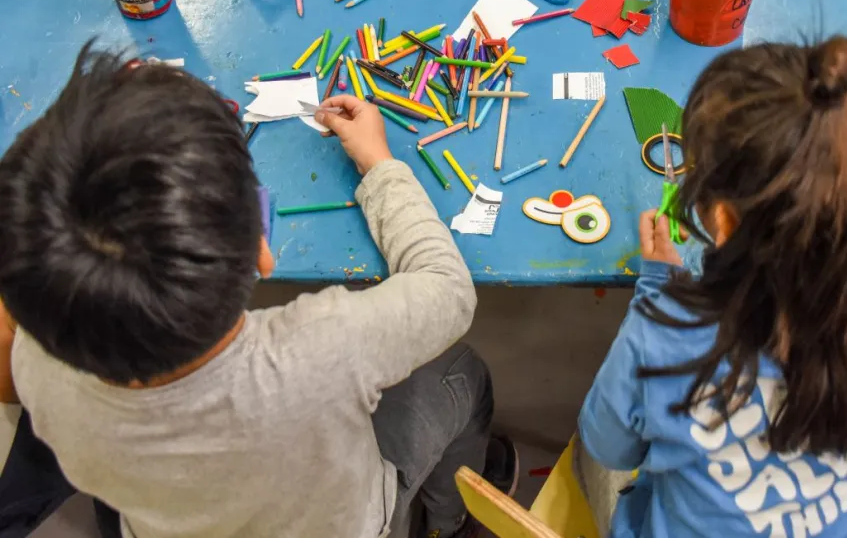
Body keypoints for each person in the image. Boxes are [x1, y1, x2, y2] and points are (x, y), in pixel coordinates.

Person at [0, 45, 517, 538]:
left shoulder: (35, 367)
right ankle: (447, 524)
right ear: (261, 250)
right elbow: (449, 288)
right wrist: (380, 165)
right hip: (345, 522)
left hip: (157, 521)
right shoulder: (322, 348)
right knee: (463, 373)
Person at [579, 36, 847, 538]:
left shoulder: (664, 342)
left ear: (722, 220)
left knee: (596, 462)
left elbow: (608, 445)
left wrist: (657, 295)